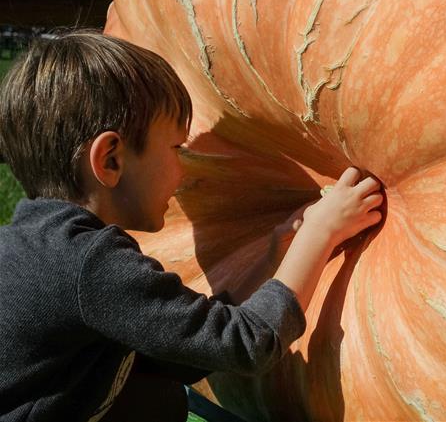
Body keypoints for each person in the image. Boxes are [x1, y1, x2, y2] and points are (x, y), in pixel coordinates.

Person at [0, 30, 384, 422]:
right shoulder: (92, 265)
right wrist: (321, 234)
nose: (184, 170)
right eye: (176, 149)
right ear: (110, 160)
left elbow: (179, 350)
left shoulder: (33, 248)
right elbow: (247, 346)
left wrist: (273, 259)